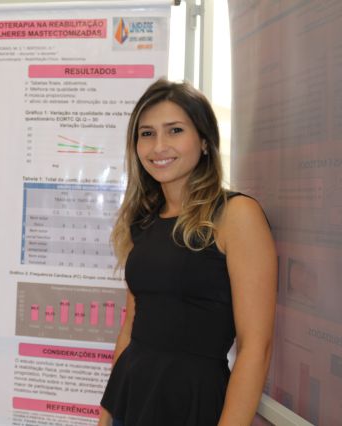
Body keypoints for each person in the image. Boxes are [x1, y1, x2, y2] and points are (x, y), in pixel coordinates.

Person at [98, 79, 277, 426]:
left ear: (205, 141)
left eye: (175, 130)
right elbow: (131, 327)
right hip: (129, 399)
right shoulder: (143, 220)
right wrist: (106, 416)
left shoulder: (236, 215)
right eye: (147, 134)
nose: (158, 146)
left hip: (192, 404)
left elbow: (256, 347)